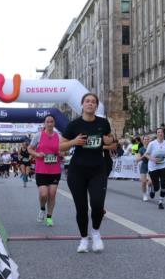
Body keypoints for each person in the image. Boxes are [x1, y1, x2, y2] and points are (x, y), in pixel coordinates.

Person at [61, 93, 117, 252]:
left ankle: (96, 233)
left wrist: (110, 140)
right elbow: (60, 146)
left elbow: (110, 139)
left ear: (96, 106)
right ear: (82, 104)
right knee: (81, 208)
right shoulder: (74, 125)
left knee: (98, 204)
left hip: (98, 170)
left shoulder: (103, 123)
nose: (90, 104)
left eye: (93, 102)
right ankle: (84, 239)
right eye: (87, 101)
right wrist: (74, 142)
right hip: (77, 171)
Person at [28, 115, 62, 227]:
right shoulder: (38, 135)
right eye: (48, 122)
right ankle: (42, 208)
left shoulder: (59, 136)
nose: (50, 124)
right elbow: (29, 149)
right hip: (41, 170)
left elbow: (64, 150)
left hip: (55, 170)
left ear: (54, 123)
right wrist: (37, 154)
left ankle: (49, 217)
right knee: (43, 194)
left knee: (52, 194)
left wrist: (62, 153)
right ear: (45, 123)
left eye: (52, 121)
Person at [144, 126, 165, 209]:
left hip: (164, 166)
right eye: (158, 132)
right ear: (156, 134)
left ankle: (160, 202)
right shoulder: (152, 144)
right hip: (153, 167)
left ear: (164, 134)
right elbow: (146, 154)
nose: (160, 134)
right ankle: (153, 188)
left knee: (163, 185)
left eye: (161, 132)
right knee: (157, 187)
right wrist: (153, 159)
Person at [137, 134, 151, 201]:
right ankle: (144, 194)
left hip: (151, 165)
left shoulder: (152, 148)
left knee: (150, 182)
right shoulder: (141, 149)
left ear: (149, 140)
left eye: (147, 139)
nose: (146, 140)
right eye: (145, 139)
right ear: (143, 141)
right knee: (143, 182)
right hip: (144, 165)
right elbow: (137, 159)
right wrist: (143, 156)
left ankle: (149, 187)